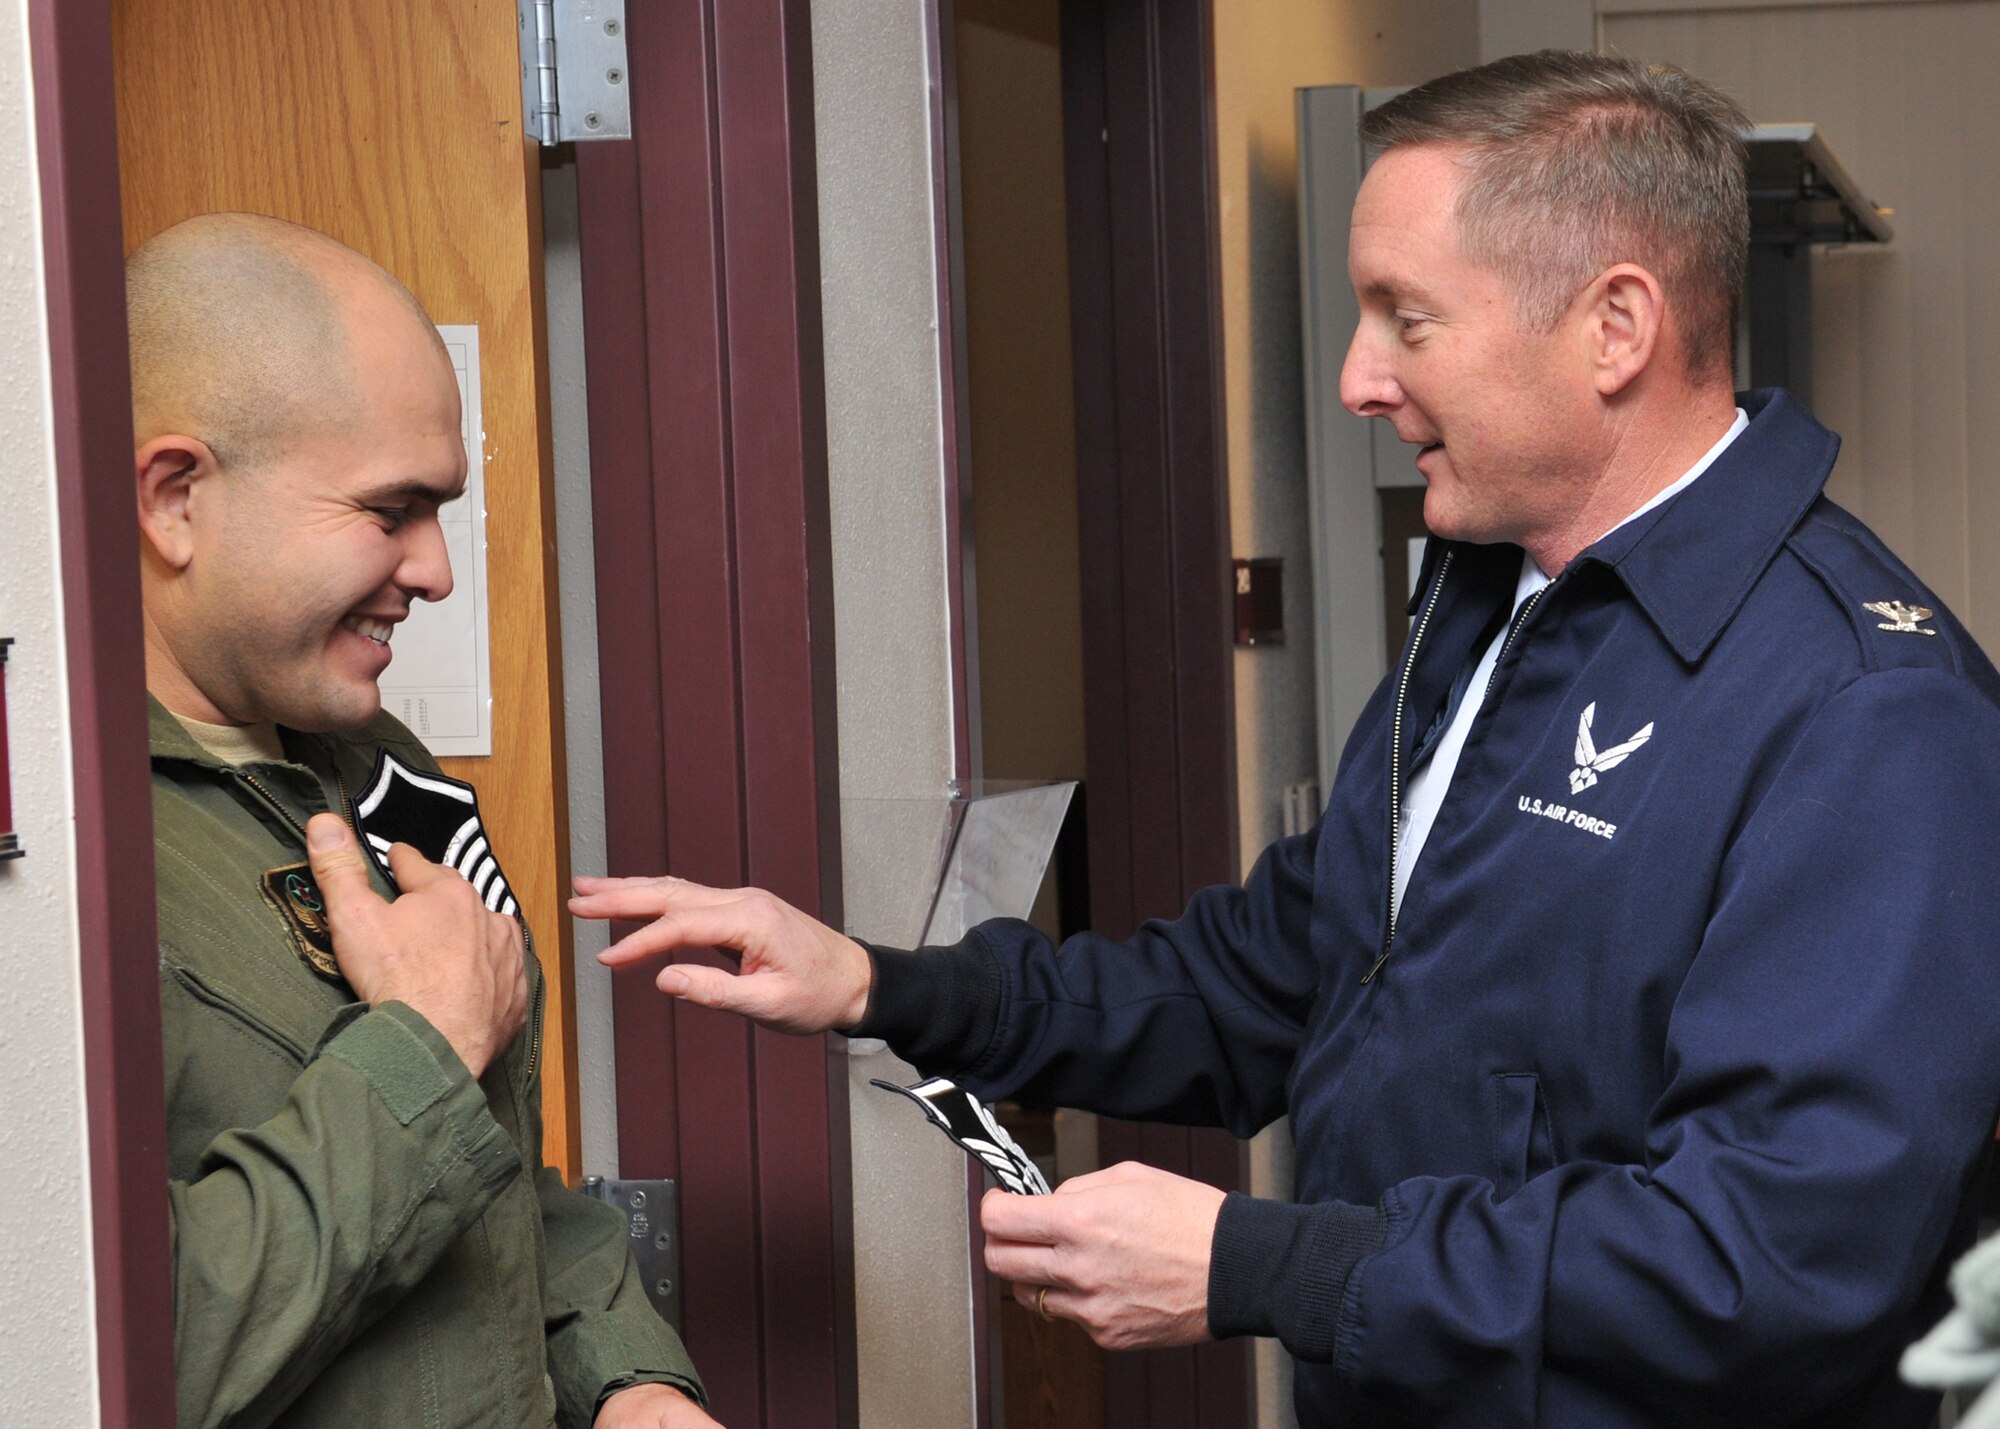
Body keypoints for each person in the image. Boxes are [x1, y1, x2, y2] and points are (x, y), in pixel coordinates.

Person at [572, 51, 2000, 1427]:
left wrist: (1258, 1266)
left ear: (1615, 328)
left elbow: (1775, 1259)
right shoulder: (1500, 603)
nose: (1357, 381)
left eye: (1406, 317)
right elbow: (1272, 984)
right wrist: (880, 985)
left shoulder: (1871, 713)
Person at [135, 213, 718, 1428]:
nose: (439, 570)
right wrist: (427, 1046)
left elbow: (496, 1171)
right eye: (390, 508)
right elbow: (134, 1351)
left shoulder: (383, 768)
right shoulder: (66, 853)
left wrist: (625, 1375)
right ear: (177, 497)